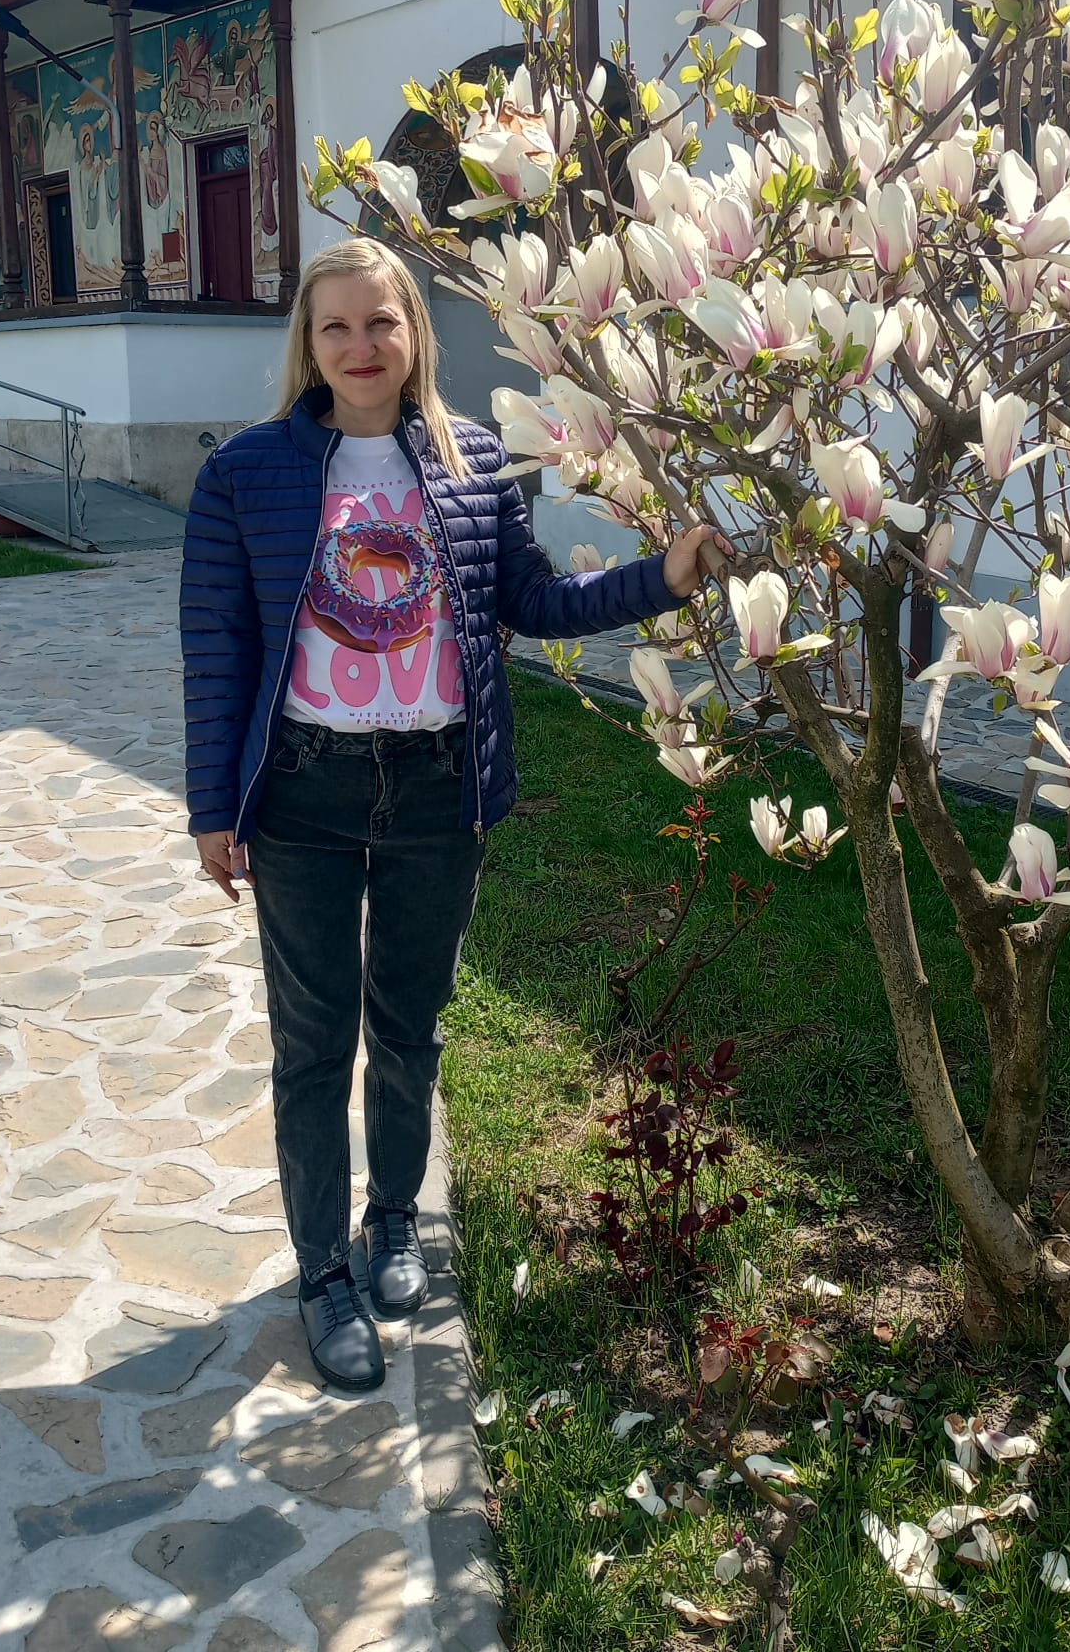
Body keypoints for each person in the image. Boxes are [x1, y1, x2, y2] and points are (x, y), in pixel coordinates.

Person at [181, 235, 719, 1393]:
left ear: (413, 330)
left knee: (410, 1027)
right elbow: (216, 648)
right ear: (308, 343)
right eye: (336, 326)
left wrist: (661, 578)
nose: (361, 345)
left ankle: (392, 1221)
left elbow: (533, 600)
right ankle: (323, 1271)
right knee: (313, 1045)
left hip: (437, 789)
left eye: (381, 321)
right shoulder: (246, 472)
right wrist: (212, 806)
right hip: (305, 796)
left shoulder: (472, 460)